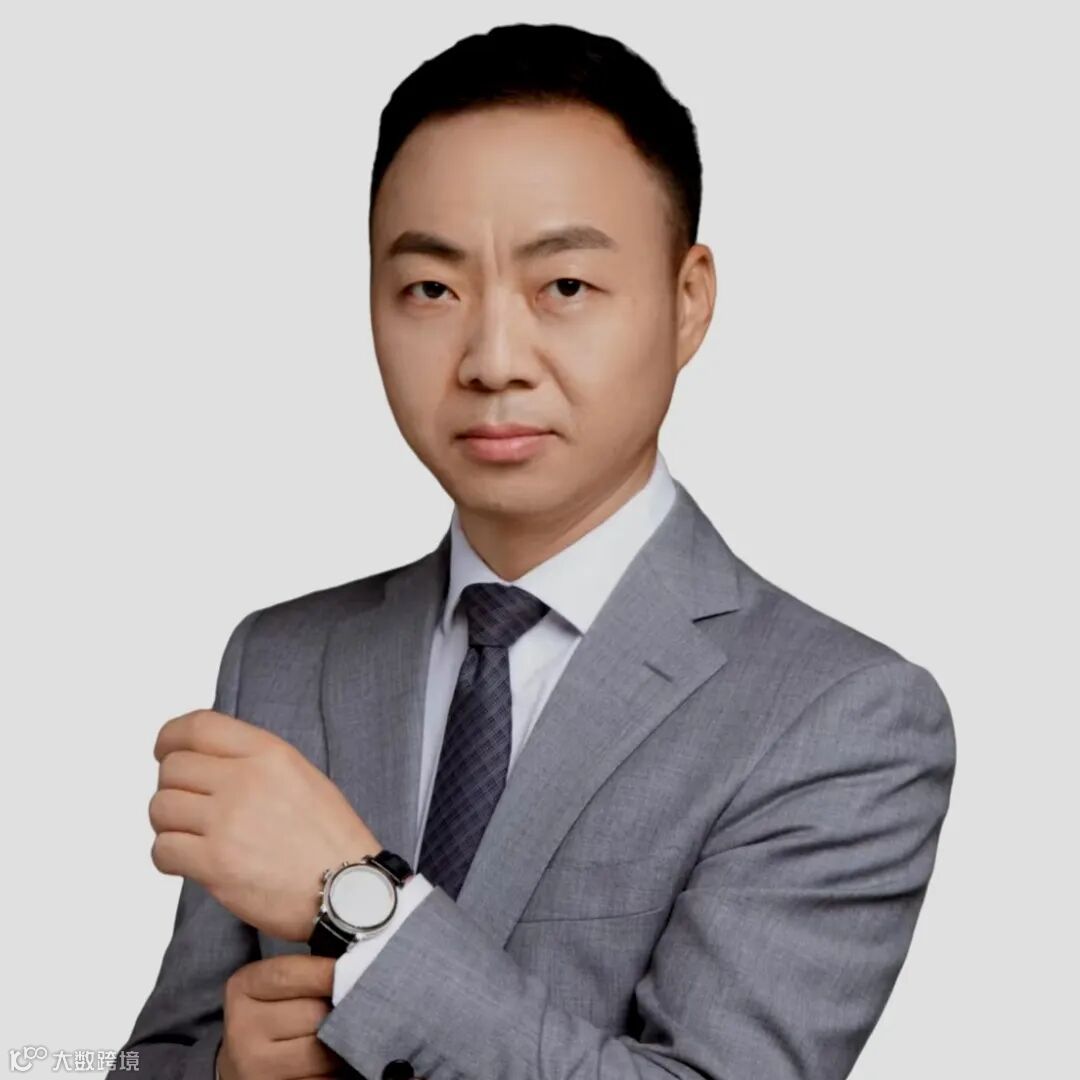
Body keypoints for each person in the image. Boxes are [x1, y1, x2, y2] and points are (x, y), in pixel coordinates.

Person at [111, 22, 956, 1080]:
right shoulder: (283, 659)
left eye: (564, 288)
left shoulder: (840, 716)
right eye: (431, 289)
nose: (493, 360)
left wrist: (358, 903)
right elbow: (152, 1057)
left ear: (688, 301)